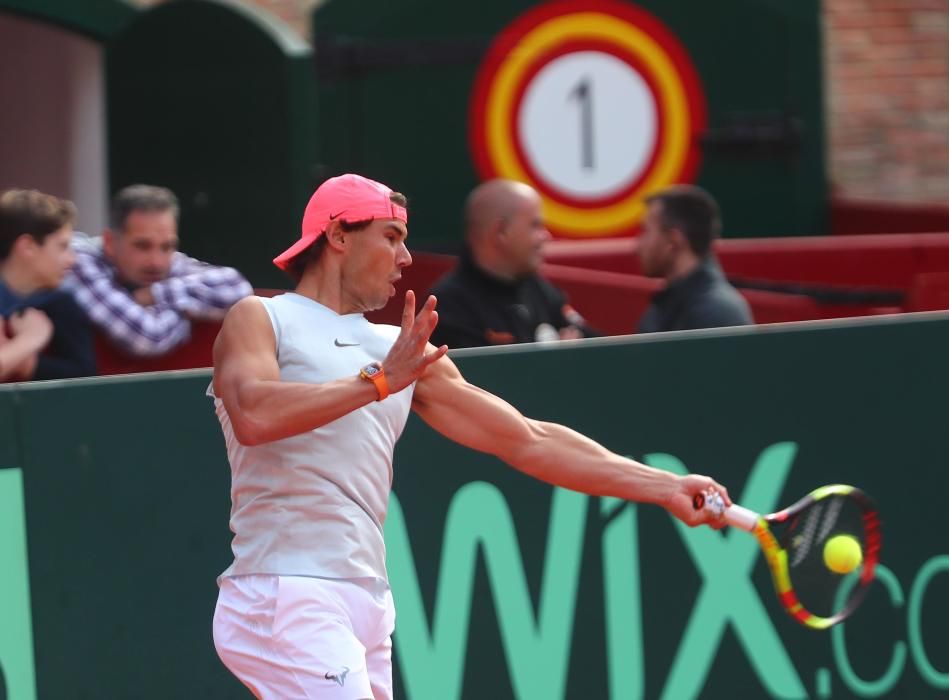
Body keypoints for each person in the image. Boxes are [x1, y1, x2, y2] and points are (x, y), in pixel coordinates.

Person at [209, 173, 731, 700]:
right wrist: (378, 382)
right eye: (391, 237)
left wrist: (663, 486)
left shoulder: (398, 350)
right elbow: (254, 415)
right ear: (339, 235)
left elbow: (528, 439)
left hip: (363, 600)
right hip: (285, 590)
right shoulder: (263, 317)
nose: (406, 257)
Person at [63, 184, 253, 357]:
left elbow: (238, 288)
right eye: (142, 246)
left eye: (167, 246)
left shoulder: (168, 263)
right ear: (110, 243)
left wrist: (154, 294)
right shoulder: (76, 260)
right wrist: (186, 311)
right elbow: (148, 337)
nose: (157, 262)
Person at [428, 179, 595, 348]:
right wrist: (560, 362)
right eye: (535, 225)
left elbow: (594, 343)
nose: (545, 235)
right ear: (501, 231)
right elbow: (479, 373)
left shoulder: (537, 288)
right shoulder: (449, 307)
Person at [0, 189, 95, 381]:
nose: (72, 259)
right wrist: (31, 339)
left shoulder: (63, 306)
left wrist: (29, 365)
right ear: (27, 247)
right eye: (62, 246)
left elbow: (85, 377)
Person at [636, 185, 754, 332]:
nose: (638, 244)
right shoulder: (666, 307)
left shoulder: (716, 313)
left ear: (673, 241)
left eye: (646, 231)